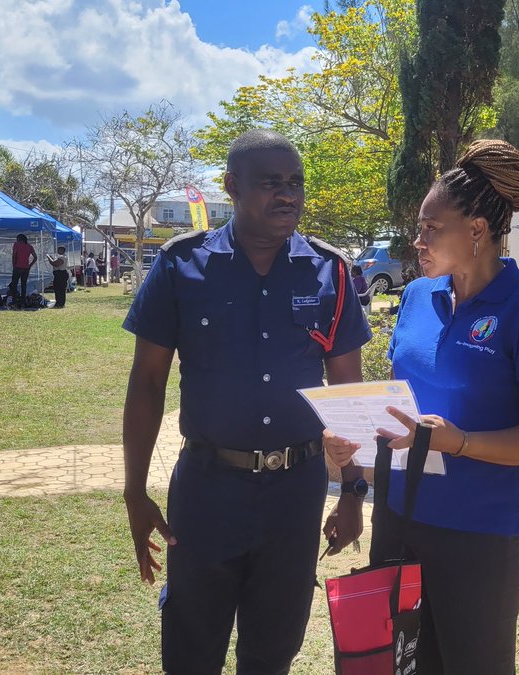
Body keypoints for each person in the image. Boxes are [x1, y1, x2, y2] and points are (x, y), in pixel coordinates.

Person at [121, 129, 371, 675]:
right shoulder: (181, 265)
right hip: (208, 490)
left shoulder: (330, 272)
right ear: (232, 186)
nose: (288, 195)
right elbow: (146, 384)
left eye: (296, 183)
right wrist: (135, 492)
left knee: (273, 648)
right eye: (270, 183)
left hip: (295, 493)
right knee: (190, 646)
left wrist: (353, 489)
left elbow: (348, 393)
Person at [325, 140, 519, 674]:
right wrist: (352, 451)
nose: (417, 241)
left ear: (478, 230)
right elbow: (398, 412)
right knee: (397, 666)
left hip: (480, 534)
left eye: (430, 228)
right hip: (400, 518)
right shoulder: (418, 297)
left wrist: (459, 442)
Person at [10, 233, 37, 307]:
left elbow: (14, 256)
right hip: (26, 268)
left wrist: (14, 266)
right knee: (23, 285)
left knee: (14, 285)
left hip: (17, 267)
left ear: (19, 239)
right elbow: (35, 257)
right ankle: (23, 302)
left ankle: (14, 301)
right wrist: (30, 265)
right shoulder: (29, 246)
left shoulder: (16, 245)